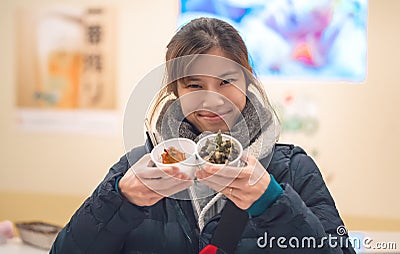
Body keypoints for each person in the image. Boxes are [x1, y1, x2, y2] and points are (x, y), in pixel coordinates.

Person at [51, 17, 355, 253]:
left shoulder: (292, 170)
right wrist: (120, 199)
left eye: (226, 82)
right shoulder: (140, 170)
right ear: (175, 90)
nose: (213, 100)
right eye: (194, 85)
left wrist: (274, 203)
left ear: (247, 80)